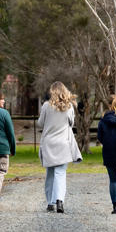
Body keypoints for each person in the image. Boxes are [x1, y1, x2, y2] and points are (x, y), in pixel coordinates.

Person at [37, 81, 83, 213]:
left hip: (49, 143)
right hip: (63, 143)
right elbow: (71, 123)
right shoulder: (69, 107)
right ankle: (59, 201)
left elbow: (40, 123)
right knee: (60, 173)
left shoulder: (46, 106)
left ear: (52, 92)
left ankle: (50, 202)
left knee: (50, 173)